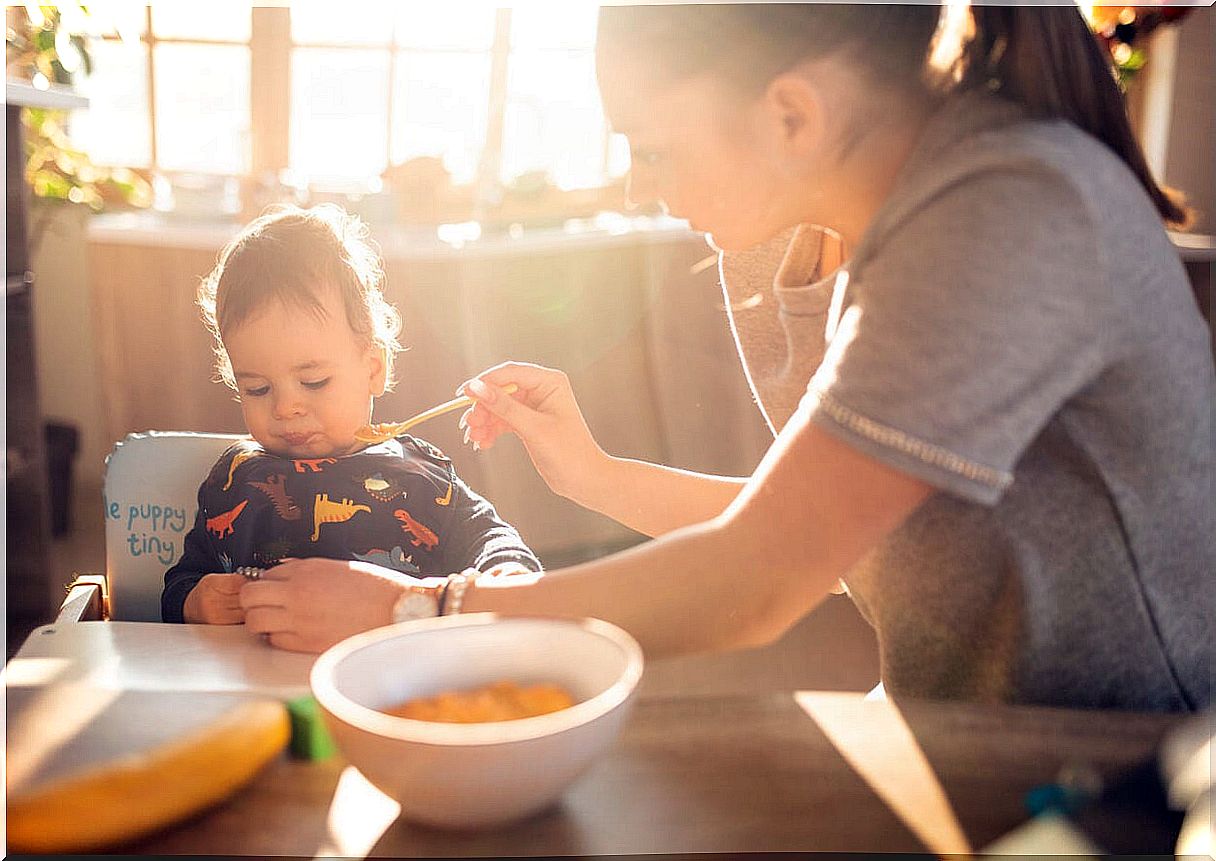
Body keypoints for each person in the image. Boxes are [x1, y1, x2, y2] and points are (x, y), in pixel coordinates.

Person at [239, 5, 1213, 712]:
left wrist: (421, 609)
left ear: (791, 116)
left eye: (652, 147)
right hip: (964, 729)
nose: (634, 181)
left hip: (1122, 772)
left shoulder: (1004, 218)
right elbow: (828, 527)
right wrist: (597, 475)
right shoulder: (834, 230)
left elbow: (757, 579)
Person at [161, 205, 541, 624]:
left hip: (387, 680)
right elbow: (182, 581)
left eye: (314, 381)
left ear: (374, 369)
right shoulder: (233, 478)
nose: (286, 407)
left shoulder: (421, 474)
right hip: (257, 682)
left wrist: (506, 572)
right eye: (258, 389)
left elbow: (493, 539)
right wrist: (194, 601)